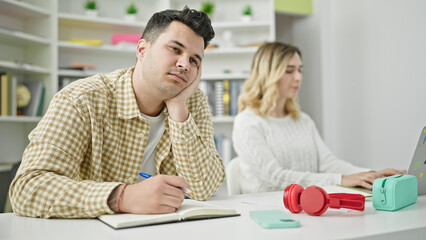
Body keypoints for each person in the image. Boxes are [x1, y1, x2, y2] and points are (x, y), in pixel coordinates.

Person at [9, 7, 225, 218]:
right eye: (175, 49)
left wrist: (178, 107)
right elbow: (27, 189)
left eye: (194, 60)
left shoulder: (192, 102)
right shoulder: (82, 99)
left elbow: (203, 188)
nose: (184, 64)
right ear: (142, 49)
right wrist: (122, 197)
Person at [232, 42, 406, 194]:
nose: (298, 78)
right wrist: (341, 180)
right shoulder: (247, 122)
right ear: (268, 75)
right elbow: (273, 178)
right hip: (265, 212)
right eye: (289, 71)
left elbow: (328, 164)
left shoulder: (302, 120)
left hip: (308, 207)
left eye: (300, 70)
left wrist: (374, 175)